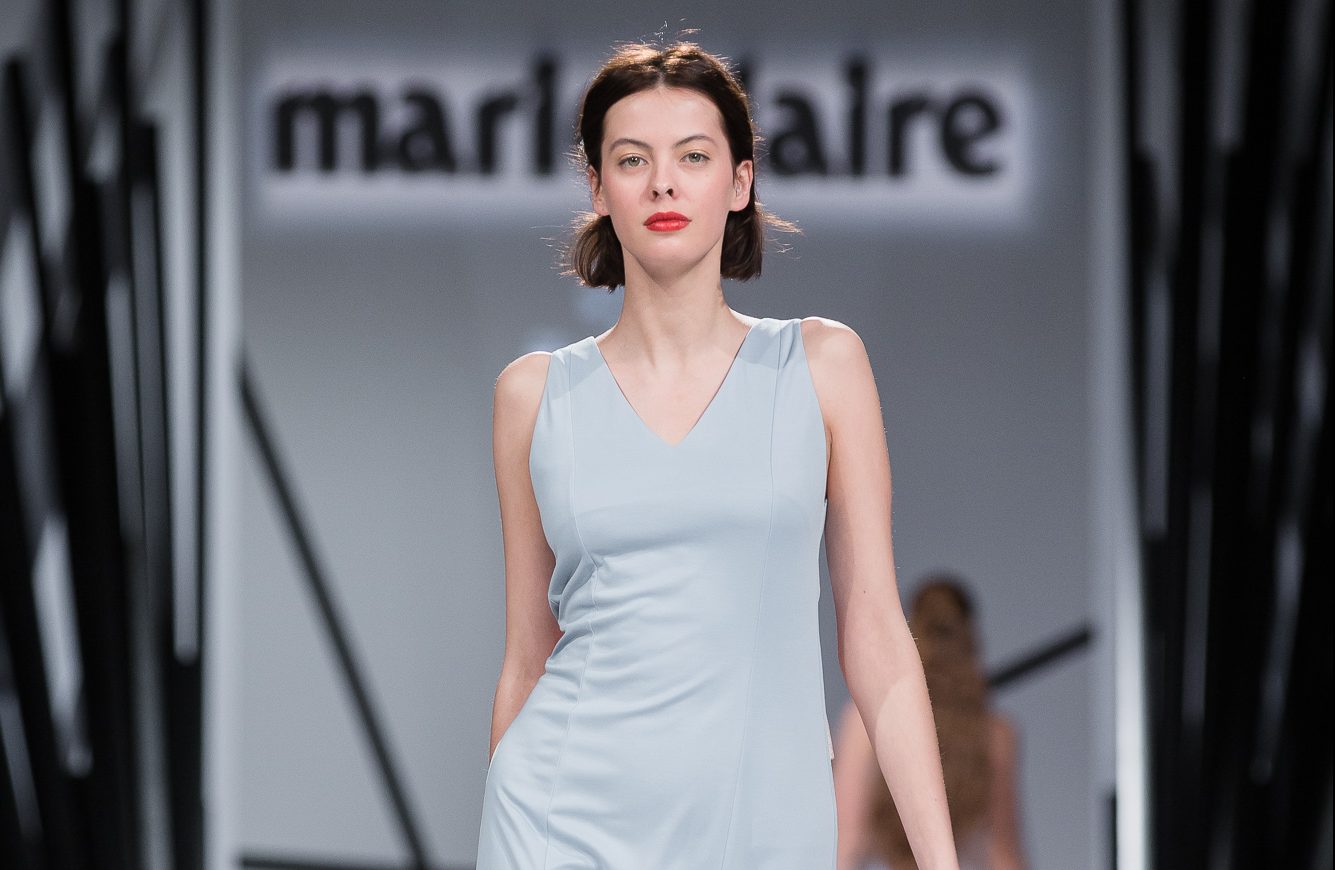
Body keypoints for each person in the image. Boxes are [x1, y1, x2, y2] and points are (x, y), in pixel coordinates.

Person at [476, 38, 960, 869]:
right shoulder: (533, 395)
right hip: (559, 824)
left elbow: (876, 633)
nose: (662, 183)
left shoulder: (820, 365)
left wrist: (939, 861)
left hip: (760, 825)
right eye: (632, 159)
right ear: (597, 187)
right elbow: (526, 656)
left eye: (693, 156)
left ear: (739, 182)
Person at [832, 576, 1028, 870]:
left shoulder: (865, 720)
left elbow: (847, 841)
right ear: (971, 637)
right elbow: (1003, 852)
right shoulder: (995, 733)